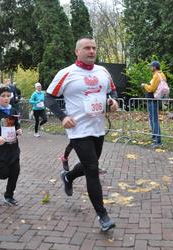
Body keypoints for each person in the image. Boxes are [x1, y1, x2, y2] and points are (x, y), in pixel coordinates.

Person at [45, 36, 118, 231]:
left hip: (98, 127)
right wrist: (62, 117)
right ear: (77, 51)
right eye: (87, 48)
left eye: (94, 48)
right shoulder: (67, 73)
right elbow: (49, 97)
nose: (92, 51)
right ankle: (103, 215)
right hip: (78, 130)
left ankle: (68, 177)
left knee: (89, 166)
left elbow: (112, 91)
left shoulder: (103, 71)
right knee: (92, 169)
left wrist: (113, 101)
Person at [141, 61, 166, 147]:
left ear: (155, 67)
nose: (150, 68)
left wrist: (144, 85)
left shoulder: (157, 75)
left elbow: (151, 88)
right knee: (153, 118)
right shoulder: (161, 74)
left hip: (153, 99)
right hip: (155, 99)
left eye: (151, 66)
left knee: (154, 119)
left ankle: (158, 141)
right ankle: (155, 136)